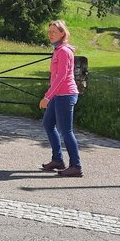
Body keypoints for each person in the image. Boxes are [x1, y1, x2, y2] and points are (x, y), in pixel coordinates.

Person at [39, 20, 82, 177]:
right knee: (48, 124)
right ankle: (57, 160)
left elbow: (62, 76)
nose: (50, 34)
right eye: (49, 32)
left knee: (66, 131)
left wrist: (47, 97)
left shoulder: (64, 51)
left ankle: (76, 166)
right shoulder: (58, 50)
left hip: (65, 95)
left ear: (62, 33)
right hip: (58, 94)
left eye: (54, 32)